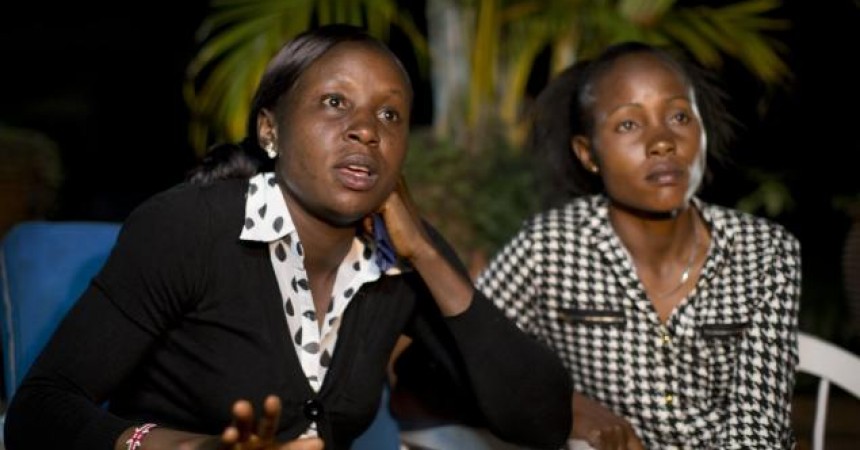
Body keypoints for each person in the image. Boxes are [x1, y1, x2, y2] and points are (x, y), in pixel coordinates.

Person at [3, 24, 573, 450]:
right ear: (270, 129)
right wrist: (187, 448)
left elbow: (543, 421)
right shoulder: (189, 227)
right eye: (334, 103)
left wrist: (425, 250)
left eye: (390, 115)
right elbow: (40, 409)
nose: (366, 130)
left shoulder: (402, 256)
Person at [475, 41, 801, 449]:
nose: (662, 141)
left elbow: (761, 423)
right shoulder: (549, 247)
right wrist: (562, 405)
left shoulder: (764, 252)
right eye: (629, 124)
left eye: (679, 116)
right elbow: (474, 356)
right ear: (588, 153)